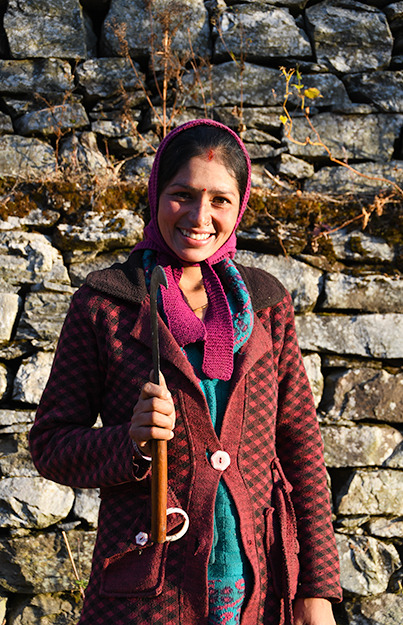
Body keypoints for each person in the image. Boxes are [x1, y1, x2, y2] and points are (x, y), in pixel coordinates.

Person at [29, 119, 342, 625]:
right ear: (156, 195)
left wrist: (318, 589)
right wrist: (128, 444)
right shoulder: (106, 303)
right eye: (182, 194)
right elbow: (49, 445)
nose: (200, 216)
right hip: (146, 595)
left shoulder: (266, 305)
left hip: (260, 594)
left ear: (239, 206)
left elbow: (302, 451)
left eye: (220, 199)